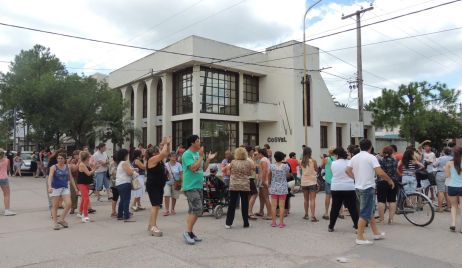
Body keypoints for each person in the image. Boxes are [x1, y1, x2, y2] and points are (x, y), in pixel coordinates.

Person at [346, 139, 395, 245]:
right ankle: (360, 237)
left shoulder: (355, 157)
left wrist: (356, 178)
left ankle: (376, 233)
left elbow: (347, 170)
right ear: (370, 147)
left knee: (370, 211)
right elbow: (379, 172)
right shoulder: (371, 157)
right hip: (367, 188)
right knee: (365, 213)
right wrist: (389, 180)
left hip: (358, 187)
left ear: (360, 146)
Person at [182, 135, 216, 245]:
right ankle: (187, 232)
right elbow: (192, 168)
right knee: (198, 208)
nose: (200, 143)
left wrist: (208, 160)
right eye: (198, 141)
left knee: (195, 210)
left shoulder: (197, 154)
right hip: (190, 186)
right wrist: (201, 157)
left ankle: (190, 232)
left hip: (198, 185)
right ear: (192, 143)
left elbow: (203, 168)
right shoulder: (187, 154)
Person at [328, 147, 358, 232]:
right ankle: (357, 226)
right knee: (352, 208)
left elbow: (333, 173)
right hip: (349, 187)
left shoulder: (333, 163)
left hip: (336, 187)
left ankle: (331, 226)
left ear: (337, 155)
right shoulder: (350, 162)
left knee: (335, 208)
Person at [145, 137, 170, 236]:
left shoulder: (159, 160)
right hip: (153, 185)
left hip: (159, 185)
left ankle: (150, 224)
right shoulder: (151, 159)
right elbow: (163, 154)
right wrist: (165, 144)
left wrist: (166, 145)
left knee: (156, 205)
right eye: (158, 151)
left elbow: (166, 153)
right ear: (154, 153)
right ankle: (153, 226)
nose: (159, 152)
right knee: (155, 205)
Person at [47, 152, 79, 230]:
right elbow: (50, 177)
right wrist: (49, 186)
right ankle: (55, 223)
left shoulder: (67, 167)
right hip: (55, 188)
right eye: (58, 158)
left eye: (61, 158)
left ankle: (61, 219)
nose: (60, 160)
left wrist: (75, 188)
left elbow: (70, 178)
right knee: (55, 206)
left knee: (69, 204)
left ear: (65, 159)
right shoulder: (53, 167)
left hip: (65, 187)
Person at [225, 147, 254, 229]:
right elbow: (249, 173)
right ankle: (246, 223)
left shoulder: (233, 162)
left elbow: (228, 172)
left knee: (232, 204)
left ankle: (228, 223)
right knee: (245, 204)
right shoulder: (248, 163)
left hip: (234, 184)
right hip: (244, 185)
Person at [377, 146, 398, 224]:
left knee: (381, 201)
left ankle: (382, 220)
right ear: (391, 153)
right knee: (392, 200)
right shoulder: (395, 161)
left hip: (382, 181)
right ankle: (391, 219)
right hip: (393, 181)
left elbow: (379, 172)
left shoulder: (380, 161)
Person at [269, 151, 290, 228]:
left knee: (273, 206)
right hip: (283, 187)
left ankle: (274, 222)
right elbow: (287, 175)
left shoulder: (271, 166)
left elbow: (270, 175)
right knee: (282, 206)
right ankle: (281, 223)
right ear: (282, 158)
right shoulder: (286, 166)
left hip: (274, 187)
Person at [115, 149, 137, 222]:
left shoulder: (120, 163)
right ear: (124, 155)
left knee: (122, 199)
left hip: (119, 183)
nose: (128, 156)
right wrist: (134, 170)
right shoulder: (124, 163)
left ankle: (120, 215)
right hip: (125, 183)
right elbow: (129, 173)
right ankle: (126, 215)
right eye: (127, 154)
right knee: (126, 200)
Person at [444, 146, 462, 232]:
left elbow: (447, 176)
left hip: (452, 186)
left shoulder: (449, 163)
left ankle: (453, 224)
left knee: (453, 206)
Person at [77, 151, 97, 223]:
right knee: (86, 199)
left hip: (85, 183)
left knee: (83, 199)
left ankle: (80, 213)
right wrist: (95, 169)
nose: (90, 158)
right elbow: (88, 173)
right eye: (89, 157)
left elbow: (91, 169)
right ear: (86, 157)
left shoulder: (86, 163)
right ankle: (85, 215)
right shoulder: (82, 164)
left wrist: (95, 167)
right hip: (82, 184)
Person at [300, 147, 318, 222]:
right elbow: (316, 169)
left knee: (305, 199)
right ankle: (313, 216)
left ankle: (306, 214)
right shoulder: (314, 161)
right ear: (310, 152)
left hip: (304, 182)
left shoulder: (301, 161)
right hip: (312, 182)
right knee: (312, 199)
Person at [163, 152, 182, 216]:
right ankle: (167, 210)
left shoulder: (179, 164)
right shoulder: (166, 165)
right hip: (167, 182)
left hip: (176, 182)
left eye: (175, 156)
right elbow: (163, 174)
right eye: (173, 156)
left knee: (174, 196)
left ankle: (172, 209)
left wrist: (182, 182)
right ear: (169, 157)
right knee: (166, 194)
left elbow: (181, 174)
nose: (174, 157)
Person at [434, 148, 453, 212]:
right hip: (449, 175)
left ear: (444, 152)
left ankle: (440, 208)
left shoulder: (441, 158)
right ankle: (449, 207)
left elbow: (434, 165)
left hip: (440, 174)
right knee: (447, 192)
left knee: (441, 191)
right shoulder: (452, 158)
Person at [255, 148, 272, 220]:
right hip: (263, 180)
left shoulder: (263, 160)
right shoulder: (265, 159)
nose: (257, 155)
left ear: (260, 154)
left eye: (258, 154)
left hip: (263, 181)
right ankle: (261, 211)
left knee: (266, 197)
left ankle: (270, 214)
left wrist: (263, 181)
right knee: (261, 196)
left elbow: (264, 171)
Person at [0, 149, 16, 216]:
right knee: (6, 194)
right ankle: (7, 210)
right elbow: (8, 169)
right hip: (3, 178)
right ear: (3, 154)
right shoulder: (7, 160)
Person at [323, 147, 335, 220]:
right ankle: (339, 212)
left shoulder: (326, 159)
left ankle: (327, 213)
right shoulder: (337, 159)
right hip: (336, 180)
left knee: (328, 196)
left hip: (328, 180)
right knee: (336, 197)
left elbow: (322, 166)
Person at [246, 146, 259, 220]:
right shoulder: (249, 159)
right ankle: (249, 212)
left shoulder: (247, 158)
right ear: (250, 151)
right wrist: (254, 159)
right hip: (250, 178)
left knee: (249, 196)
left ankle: (247, 211)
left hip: (248, 178)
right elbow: (254, 167)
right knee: (255, 194)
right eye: (252, 151)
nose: (253, 153)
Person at [68, 150, 80, 215]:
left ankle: (87, 208)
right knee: (73, 194)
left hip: (82, 178)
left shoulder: (84, 160)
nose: (76, 156)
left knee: (84, 194)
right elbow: (74, 169)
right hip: (74, 178)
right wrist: (79, 162)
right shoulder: (73, 161)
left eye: (77, 154)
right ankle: (73, 208)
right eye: (75, 155)